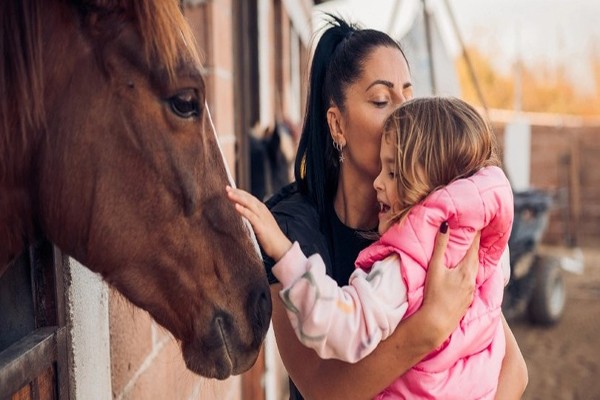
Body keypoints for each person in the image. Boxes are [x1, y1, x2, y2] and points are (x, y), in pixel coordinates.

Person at [238, 15, 527, 400]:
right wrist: (427, 329)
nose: (404, 116)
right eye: (380, 100)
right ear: (337, 125)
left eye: (409, 98)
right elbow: (321, 390)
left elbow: (513, 368)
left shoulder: (432, 214)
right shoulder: (289, 231)